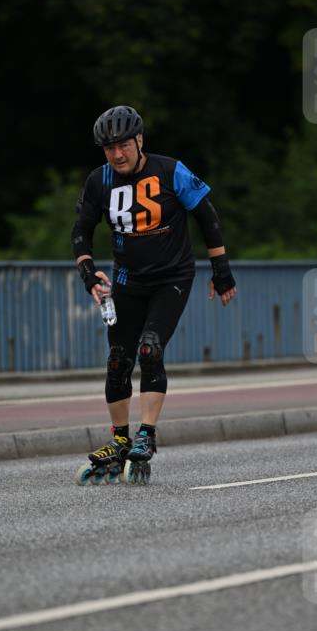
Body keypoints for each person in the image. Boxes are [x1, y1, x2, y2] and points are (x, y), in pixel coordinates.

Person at [71, 104, 237, 481]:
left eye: (123, 145)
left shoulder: (170, 170)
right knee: (117, 359)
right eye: (109, 148)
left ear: (139, 141)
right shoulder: (100, 181)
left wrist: (221, 271)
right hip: (127, 280)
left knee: (150, 348)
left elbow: (207, 215)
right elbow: (81, 229)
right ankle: (118, 439)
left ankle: (146, 434)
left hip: (171, 278)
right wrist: (87, 272)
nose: (116, 154)